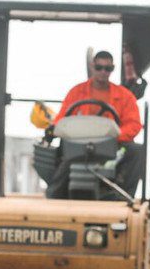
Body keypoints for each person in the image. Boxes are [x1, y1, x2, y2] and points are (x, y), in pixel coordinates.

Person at [46, 50, 144, 199]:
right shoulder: (76, 92)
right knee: (63, 153)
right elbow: (62, 120)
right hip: (78, 146)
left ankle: (123, 197)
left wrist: (115, 136)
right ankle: (55, 195)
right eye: (99, 67)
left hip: (112, 147)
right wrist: (55, 130)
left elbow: (134, 124)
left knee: (136, 151)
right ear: (93, 67)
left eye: (107, 68)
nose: (103, 72)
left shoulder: (125, 96)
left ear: (112, 69)